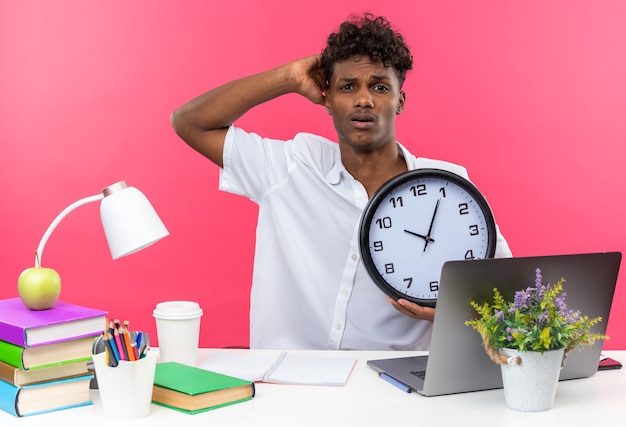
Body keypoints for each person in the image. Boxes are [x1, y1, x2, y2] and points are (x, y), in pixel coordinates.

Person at [171, 13, 512, 351]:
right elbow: (190, 123)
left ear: (401, 101)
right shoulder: (291, 166)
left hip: (391, 387)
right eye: (348, 87)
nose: (364, 100)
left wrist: (449, 313)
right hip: (289, 378)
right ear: (327, 100)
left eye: (380, 87)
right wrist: (288, 77)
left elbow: (506, 301)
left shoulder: (450, 188)